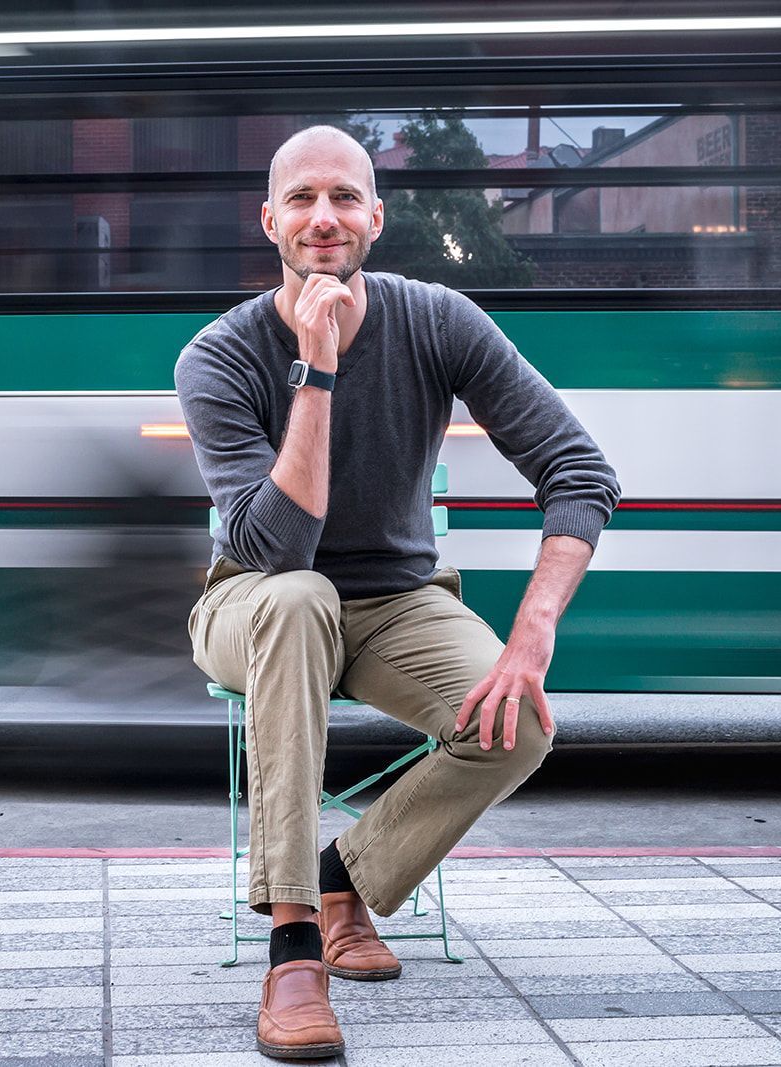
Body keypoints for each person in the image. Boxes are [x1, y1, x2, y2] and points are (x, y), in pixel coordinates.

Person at [174, 125, 620, 1060]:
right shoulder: (216, 357)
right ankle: (294, 945)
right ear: (270, 221)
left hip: (395, 603)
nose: (323, 217)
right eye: (301, 199)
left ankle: (346, 877)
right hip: (251, 601)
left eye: (344, 197)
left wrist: (530, 634)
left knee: (521, 722)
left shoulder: (437, 320)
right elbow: (279, 545)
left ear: (377, 216)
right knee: (299, 599)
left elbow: (580, 472)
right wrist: (318, 365)